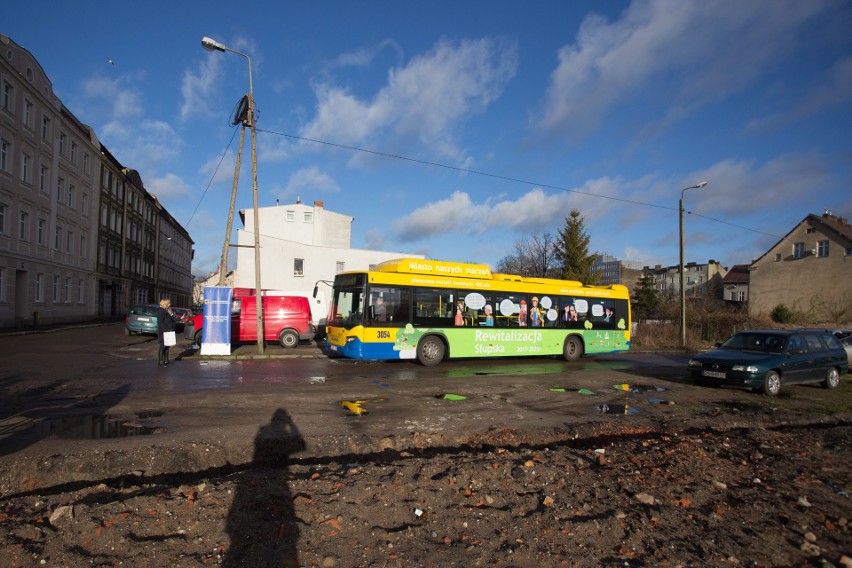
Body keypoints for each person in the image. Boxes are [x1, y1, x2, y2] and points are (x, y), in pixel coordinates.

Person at [157, 298, 177, 367]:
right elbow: (161, 322)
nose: (170, 304)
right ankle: (160, 361)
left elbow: (172, 319)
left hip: (169, 331)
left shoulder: (167, 310)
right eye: (168, 303)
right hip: (164, 332)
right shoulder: (161, 311)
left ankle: (166, 360)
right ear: (165, 303)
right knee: (163, 346)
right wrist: (166, 330)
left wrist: (172, 315)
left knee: (167, 346)